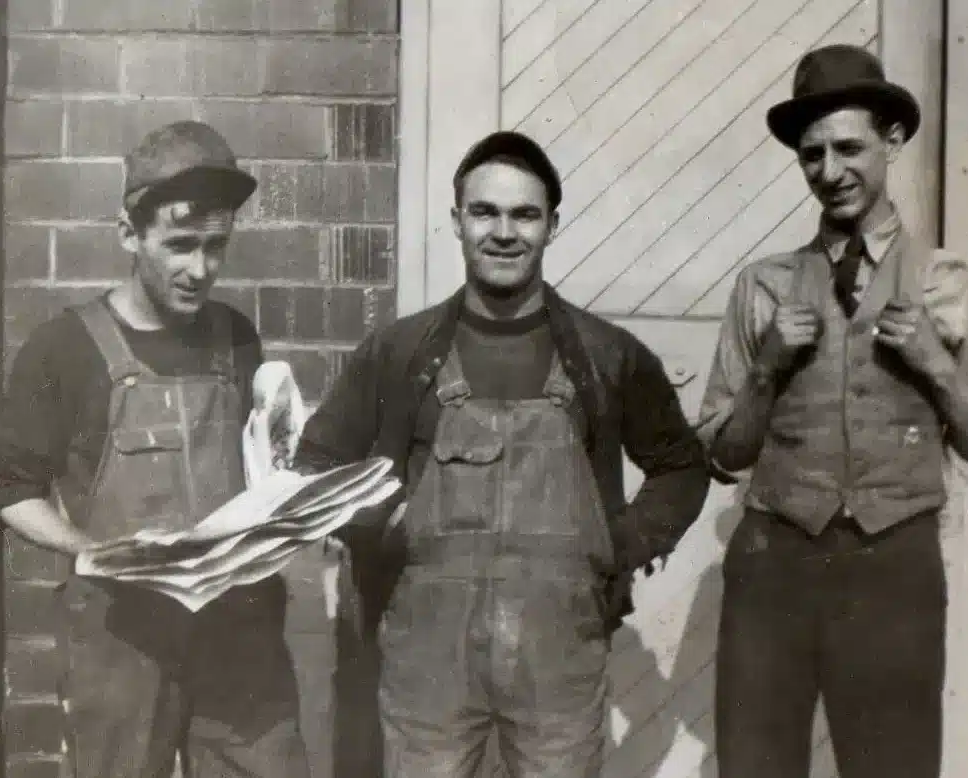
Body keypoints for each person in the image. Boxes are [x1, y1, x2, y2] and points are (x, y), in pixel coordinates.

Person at [294, 130, 711, 778]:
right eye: (485, 212)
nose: (504, 232)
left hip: (557, 656)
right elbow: (316, 461)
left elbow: (680, 465)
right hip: (426, 657)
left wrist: (622, 540)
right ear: (456, 221)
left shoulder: (605, 356)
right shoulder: (400, 353)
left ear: (551, 226)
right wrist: (375, 526)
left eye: (524, 214)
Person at [699, 44, 968, 778]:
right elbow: (722, 455)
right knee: (755, 766)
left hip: (894, 569)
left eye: (848, 147)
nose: (830, 171)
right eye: (811, 155)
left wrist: (938, 372)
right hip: (772, 566)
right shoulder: (762, 286)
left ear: (892, 141)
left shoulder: (953, 283)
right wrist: (766, 370)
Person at [0, 121, 310, 778]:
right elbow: (10, 485)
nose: (201, 269)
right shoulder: (66, 348)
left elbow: (259, 472)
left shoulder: (236, 339)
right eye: (180, 245)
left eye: (216, 246)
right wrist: (88, 550)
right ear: (129, 235)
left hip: (236, 632)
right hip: (122, 637)